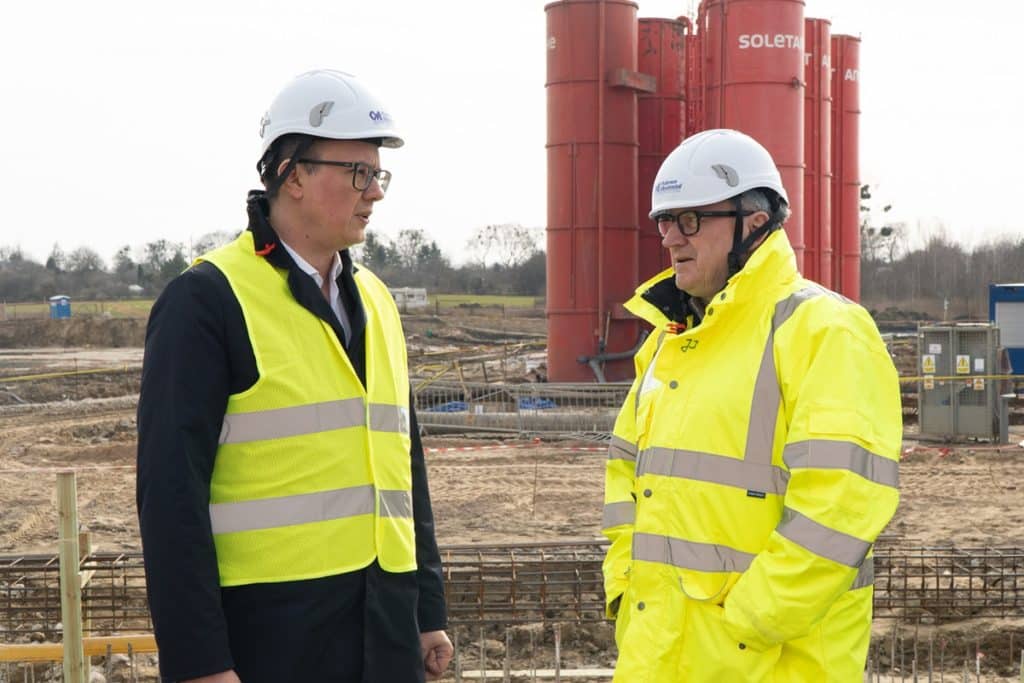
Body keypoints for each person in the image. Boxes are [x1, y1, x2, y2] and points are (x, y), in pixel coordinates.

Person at [137, 69, 453, 683]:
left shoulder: (378, 300)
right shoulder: (207, 301)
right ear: (294, 174)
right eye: (357, 172)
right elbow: (170, 496)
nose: (375, 192)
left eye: (378, 174)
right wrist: (199, 662)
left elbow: (403, 465)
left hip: (384, 624)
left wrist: (425, 611)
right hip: (274, 632)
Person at [601, 129, 901, 681]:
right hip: (658, 653)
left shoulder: (824, 330)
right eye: (664, 221)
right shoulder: (668, 342)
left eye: (690, 220)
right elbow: (626, 474)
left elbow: (842, 506)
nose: (670, 238)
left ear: (754, 223)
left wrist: (749, 622)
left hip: (770, 662)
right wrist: (623, 585)